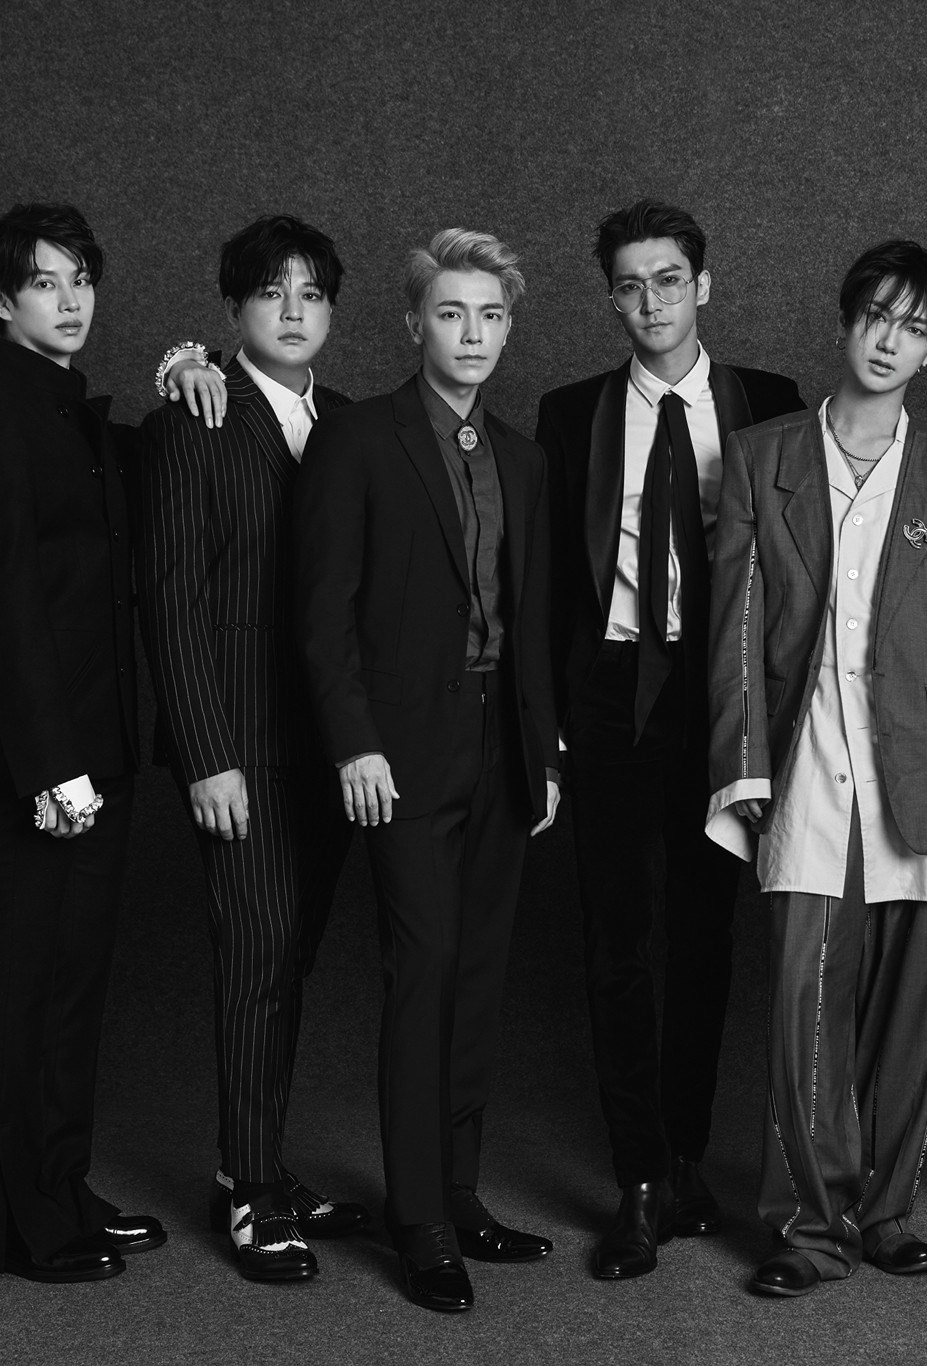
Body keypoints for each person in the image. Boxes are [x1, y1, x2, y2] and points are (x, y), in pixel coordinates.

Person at [704, 240, 927, 1298]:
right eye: (877, 317)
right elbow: (736, 621)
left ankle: (884, 1212)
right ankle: (808, 1227)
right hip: (805, 765)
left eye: (914, 328)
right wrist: (742, 766)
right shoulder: (759, 456)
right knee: (803, 1004)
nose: (891, 341)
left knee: (913, 1007)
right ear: (845, 322)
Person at [291, 228, 561, 1313]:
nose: (472, 334)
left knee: (478, 979)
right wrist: (353, 741)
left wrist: (544, 749)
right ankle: (418, 1221)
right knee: (423, 971)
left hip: (504, 745)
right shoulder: (358, 438)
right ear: (414, 323)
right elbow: (321, 613)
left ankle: (458, 1192)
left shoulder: (524, 459)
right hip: (400, 751)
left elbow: (534, 621)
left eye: (490, 315)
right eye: (452, 313)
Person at [534, 199, 805, 1280]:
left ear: (703, 286)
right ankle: (638, 1178)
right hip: (611, 691)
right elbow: (546, 580)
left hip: (724, 690)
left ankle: (687, 1159)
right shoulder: (570, 413)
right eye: (629, 285)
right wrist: (548, 728)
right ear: (611, 299)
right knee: (619, 940)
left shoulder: (768, 402)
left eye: (668, 280)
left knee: (705, 936)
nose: (650, 302)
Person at [135, 215, 370, 1283]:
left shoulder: (352, 423)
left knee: (291, 958)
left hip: (332, 749)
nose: (292, 311)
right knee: (257, 958)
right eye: (271, 292)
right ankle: (246, 1188)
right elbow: (172, 599)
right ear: (232, 309)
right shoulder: (195, 417)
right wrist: (203, 754)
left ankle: (261, 1161)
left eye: (311, 293)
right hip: (238, 747)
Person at [0, 203, 163, 1283]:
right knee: (22, 990)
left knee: (76, 990)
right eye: (45, 282)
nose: (72, 301)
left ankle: (63, 1188)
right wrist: (50, 768)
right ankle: (8, 1228)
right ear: (0, 299)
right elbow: (8, 605)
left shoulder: (75, 413)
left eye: (82, 279)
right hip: (44, 762)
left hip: (103, 747)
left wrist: (184, 371)